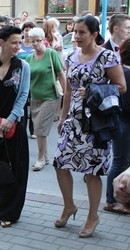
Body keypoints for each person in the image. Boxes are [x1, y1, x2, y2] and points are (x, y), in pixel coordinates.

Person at [53, 15, 126, 238]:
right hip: (74, 120)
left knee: (92, 171)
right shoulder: (70, 55)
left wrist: (94, 90)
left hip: (96, 123)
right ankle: (69, 205)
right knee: (60, 163)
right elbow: (67, 90)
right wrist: (63, 116)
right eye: (75, 32)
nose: (76, 36)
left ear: (94, 35)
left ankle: (93, 215)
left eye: (82, 32)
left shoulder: (107, 57)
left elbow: (121, 86)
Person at [0, 25, 30, 227]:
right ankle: (0, 199)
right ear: (2, 43)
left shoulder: (23, 66)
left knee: (15, 169)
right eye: (14, 42)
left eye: (20, 42)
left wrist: (12, 119)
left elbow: (23, 95)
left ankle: (8, 211)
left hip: (14, 126)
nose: (18, 46)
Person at [25, 28, 66, 171]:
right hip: (35, 98)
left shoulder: (51, 54)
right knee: (38, 128)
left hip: (50, 97)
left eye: (38, 40)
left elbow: (61, 74)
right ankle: (46, 157)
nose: (35, 43)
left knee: (40, 130)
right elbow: (26, 78)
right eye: (33, 41)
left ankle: (40, 158)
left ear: (44, 40)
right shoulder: (29, 58)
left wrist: (66, 94)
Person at [103, 35, 130, 214]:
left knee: (121, 160)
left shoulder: (122, 70)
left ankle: (114, 199)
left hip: (120, 120)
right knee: (120, 161)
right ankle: (112, 200)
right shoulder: (126, 72)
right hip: (124, 122)